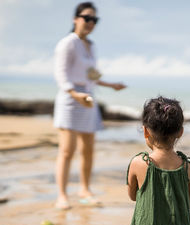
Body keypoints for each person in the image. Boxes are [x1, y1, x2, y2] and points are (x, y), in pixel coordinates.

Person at [53, 2, 126, 210]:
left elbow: (91, 76)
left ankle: (84, 190)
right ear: (76, 19)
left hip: (88, 99)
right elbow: (61, 74)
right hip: (70, 99)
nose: (91, 23)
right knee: (67, 150)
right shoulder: (68, 43)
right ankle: (62, 195)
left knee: (88, 150)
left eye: (95, 20)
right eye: (87, 18)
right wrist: (75, 94)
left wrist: (111, 85)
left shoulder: (91, 46)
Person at [119, 96, 190, 225]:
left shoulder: (139, 163)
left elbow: (133, 196)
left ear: (146, 131)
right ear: (180, 132)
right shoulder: (188, 167)